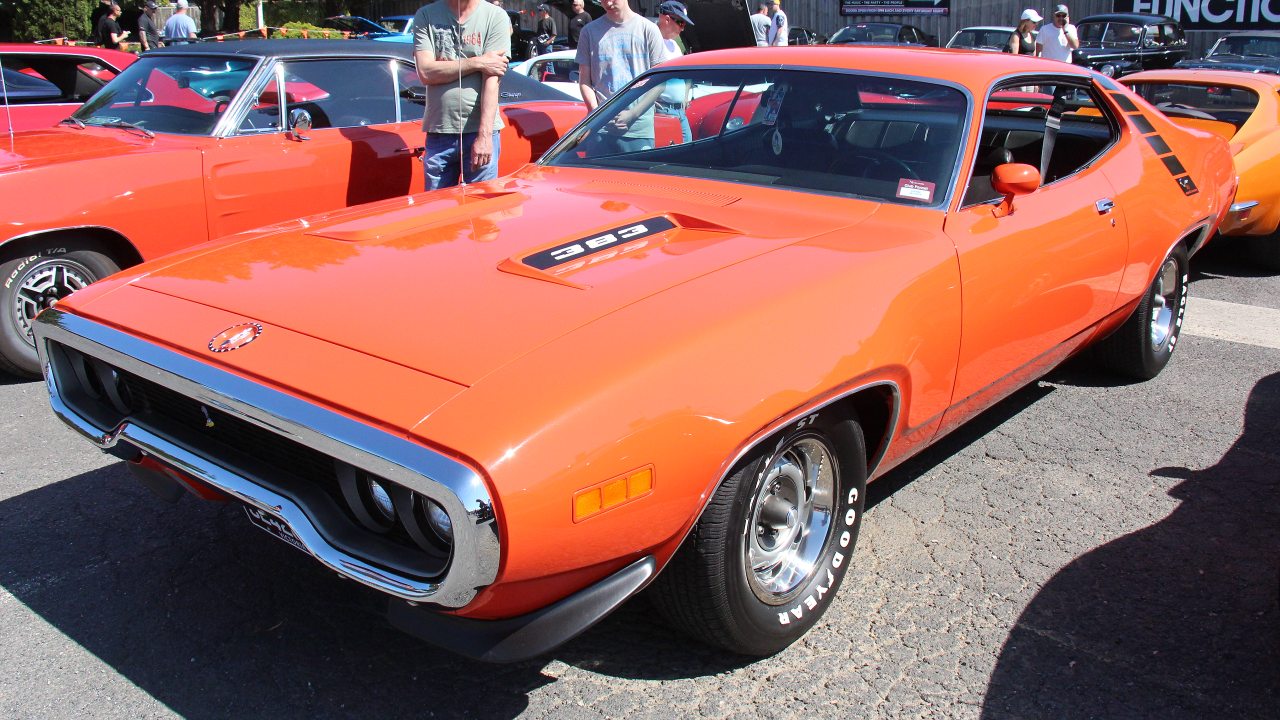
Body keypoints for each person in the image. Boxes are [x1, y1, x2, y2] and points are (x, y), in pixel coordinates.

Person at [413, 0, 511, 190]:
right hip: (439, 132)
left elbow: (492, 79)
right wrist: (478, 63)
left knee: (480, 204)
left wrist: (484, 136)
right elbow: (426, 72)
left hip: (479, 131)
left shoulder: (495, 16)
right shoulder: (426, 15)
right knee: (437, 205)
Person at [575, 0, 663, 111]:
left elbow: (660, 80)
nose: (608, 4)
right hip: (604, 115)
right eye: (603, 0)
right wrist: (596, 111)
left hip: (641, 115)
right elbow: (584, 80)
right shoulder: (588, 32)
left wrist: (634, 113)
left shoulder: (648, 29)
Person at [653, 1, 693, 143]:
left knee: (688, 148)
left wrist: (685, 96)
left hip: (679, 110)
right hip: (662, 110)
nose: (683, 28)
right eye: (681, 23)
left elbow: (686, 74)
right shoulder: (653, 41)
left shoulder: (674, 45)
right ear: (667, 19)